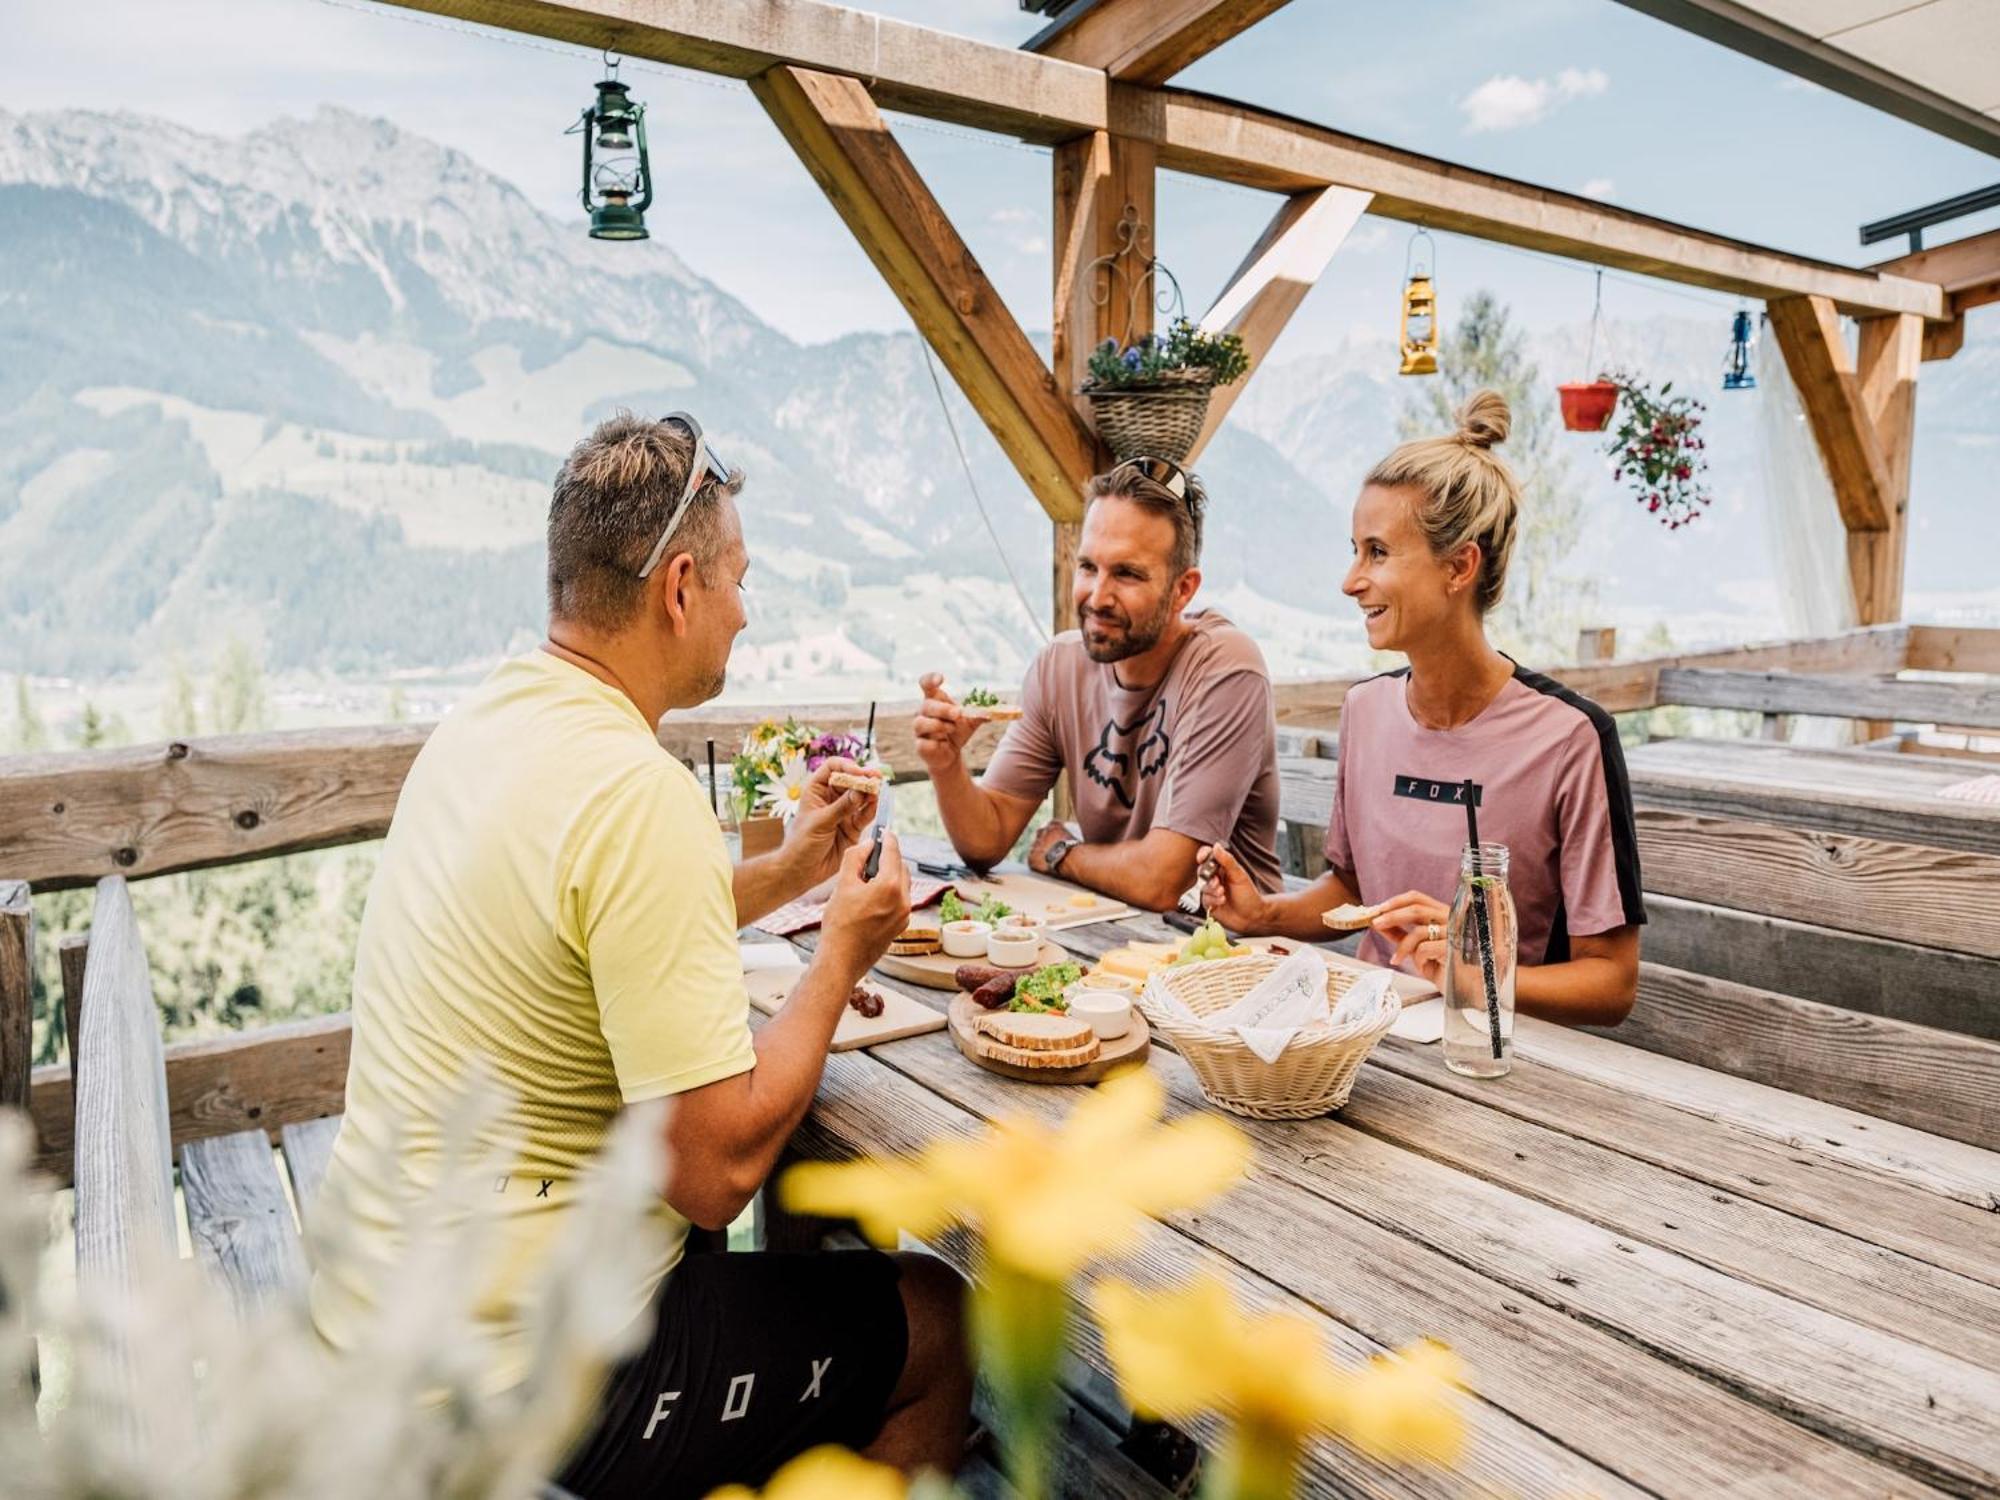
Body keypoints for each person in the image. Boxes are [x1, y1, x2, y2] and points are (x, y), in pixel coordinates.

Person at [310, 412, 971, 1498]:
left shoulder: (485, 728)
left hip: (374, 1318)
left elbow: (585, 931)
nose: (744, 613)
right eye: (737, 581)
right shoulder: (635, 793)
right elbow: (713, 1176)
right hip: (515, 1379)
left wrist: (789, 874)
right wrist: (841, 958)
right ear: (677, 587)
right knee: (935, 1322)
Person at [1200, 392, 1641, 1025]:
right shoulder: (1365, 710)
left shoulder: (1572, 738)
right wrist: (1262, 913)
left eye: (1377, 553)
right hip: (1357, 1039)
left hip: (1496, 1057)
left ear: (1459, 566)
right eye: (1355, 550)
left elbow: (1612, 984)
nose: (1351, 580)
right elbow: (1354, 893)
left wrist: (1476, 974)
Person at [912, 457, 1284, 911]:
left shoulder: (1226, 669)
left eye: (1127, 574)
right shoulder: (1058, 667)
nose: (1097, 596)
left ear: (1183, 590)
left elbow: (1161, 881)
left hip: (1231, 953)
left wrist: (1062, 853)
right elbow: (986, 841)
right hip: (1112, 933)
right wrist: (946, 764)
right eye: (1088, 567)